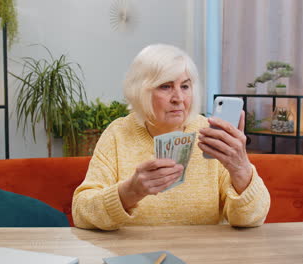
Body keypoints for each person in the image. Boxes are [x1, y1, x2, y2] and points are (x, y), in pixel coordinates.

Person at [72, 44, 270, 230]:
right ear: (141, 91)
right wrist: (130, 192)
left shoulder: (211, 135)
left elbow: (251, 219)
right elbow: (82, 213)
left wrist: (241, 168)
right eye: (165, 87)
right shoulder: (118, 133)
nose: (179, 98)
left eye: (185, 86)